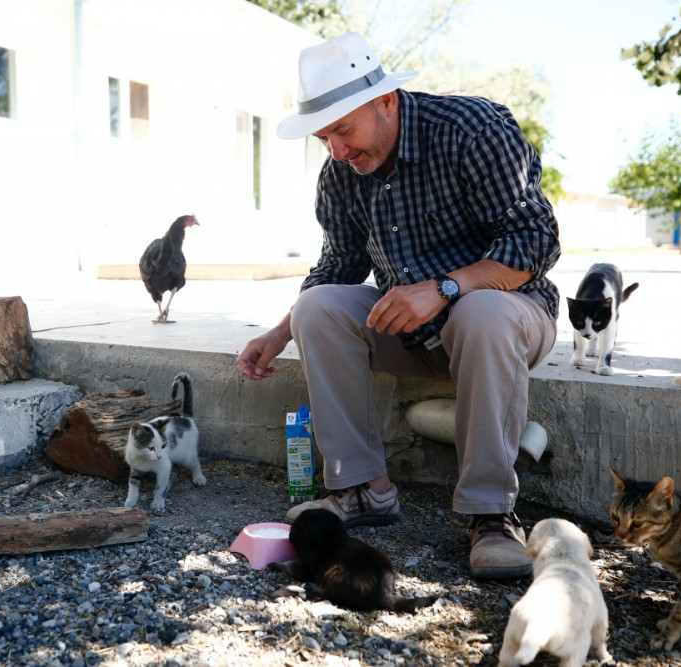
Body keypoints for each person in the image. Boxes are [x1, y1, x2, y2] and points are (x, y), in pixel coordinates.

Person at [236, 32, 560, 580]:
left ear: (385, 101)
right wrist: (278, 333)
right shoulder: (342, 174)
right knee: (316, 306)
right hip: (412, 336)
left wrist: (445, 288)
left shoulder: (472, 131)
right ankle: (362, 490)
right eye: (323, 137)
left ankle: (492, 515)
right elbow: (336, 269)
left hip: (504, 319)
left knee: (480, 312)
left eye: (343, 129)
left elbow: (536, 241)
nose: (336, 151)